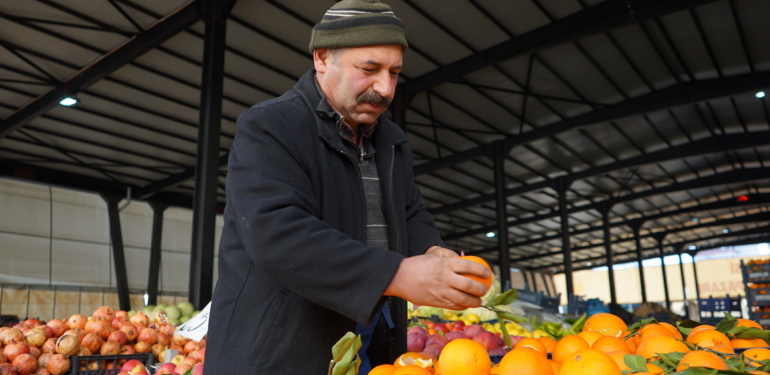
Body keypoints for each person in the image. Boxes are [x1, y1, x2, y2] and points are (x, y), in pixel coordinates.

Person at [204, 0, 491, 373]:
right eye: (369, 69)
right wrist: (400, 275)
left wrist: (432, 249)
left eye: (394, 72)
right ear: (322, 58)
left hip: (371, 337)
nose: (385, 89)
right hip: (280, 350)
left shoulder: (391, 140)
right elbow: (278, 234)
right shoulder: (271, 127)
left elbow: (410, 211)